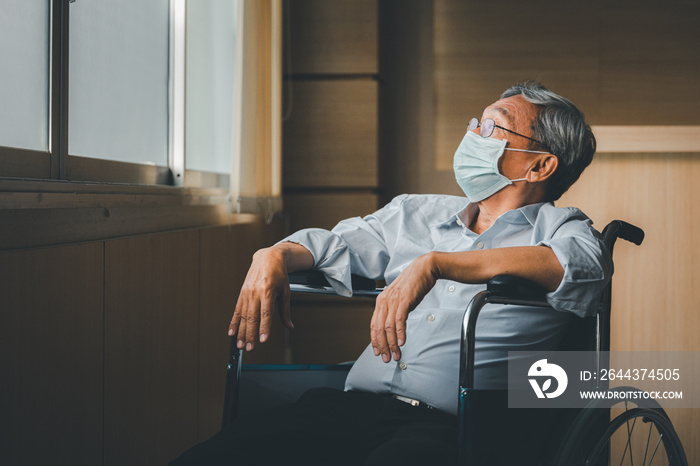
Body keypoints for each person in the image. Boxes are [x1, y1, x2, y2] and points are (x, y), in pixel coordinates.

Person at [170, 81, 611, 465]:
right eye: (476, 124)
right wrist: (274, 254)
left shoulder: (562, 229)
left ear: (539, 165)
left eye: (492, 127)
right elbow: (337, 245)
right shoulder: (416, 213)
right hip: (349, 408)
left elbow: (583, 269)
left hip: (447, 429)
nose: (474, 135)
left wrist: (438, 264)